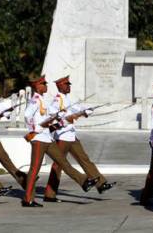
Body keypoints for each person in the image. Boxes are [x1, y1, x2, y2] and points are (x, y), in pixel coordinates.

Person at [22, 75, 99, 207]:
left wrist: (55, 118)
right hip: (39, 140)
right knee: (34, 169)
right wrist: (35, 129)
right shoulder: (35, 100)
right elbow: (27, 115)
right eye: (43, 84)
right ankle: (28, 199)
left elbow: (45, 118)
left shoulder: (42, 99)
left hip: (48, 139)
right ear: (37, 86)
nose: (46, 86)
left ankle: (84, 182)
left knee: (64, 163)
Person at [43, 76, 115, 203]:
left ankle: (101, 184)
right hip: (62, 136)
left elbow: (76, 109)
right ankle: (50, 194)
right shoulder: (57, 101)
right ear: (60, 86)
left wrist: (85, 111)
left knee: (85, 160)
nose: (68, 86)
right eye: (66, 85)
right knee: (58, 165)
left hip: (71, 135)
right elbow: (55, 117)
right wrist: (75, 115)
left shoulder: (67, 99)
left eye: (69, 84)